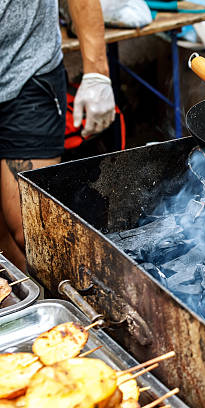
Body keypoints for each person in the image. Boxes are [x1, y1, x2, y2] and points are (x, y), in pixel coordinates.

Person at [0, 0, 115, 271]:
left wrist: (97, 71)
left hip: (26, 71)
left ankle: (78, 298)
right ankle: (32, 305)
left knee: (29, 228)